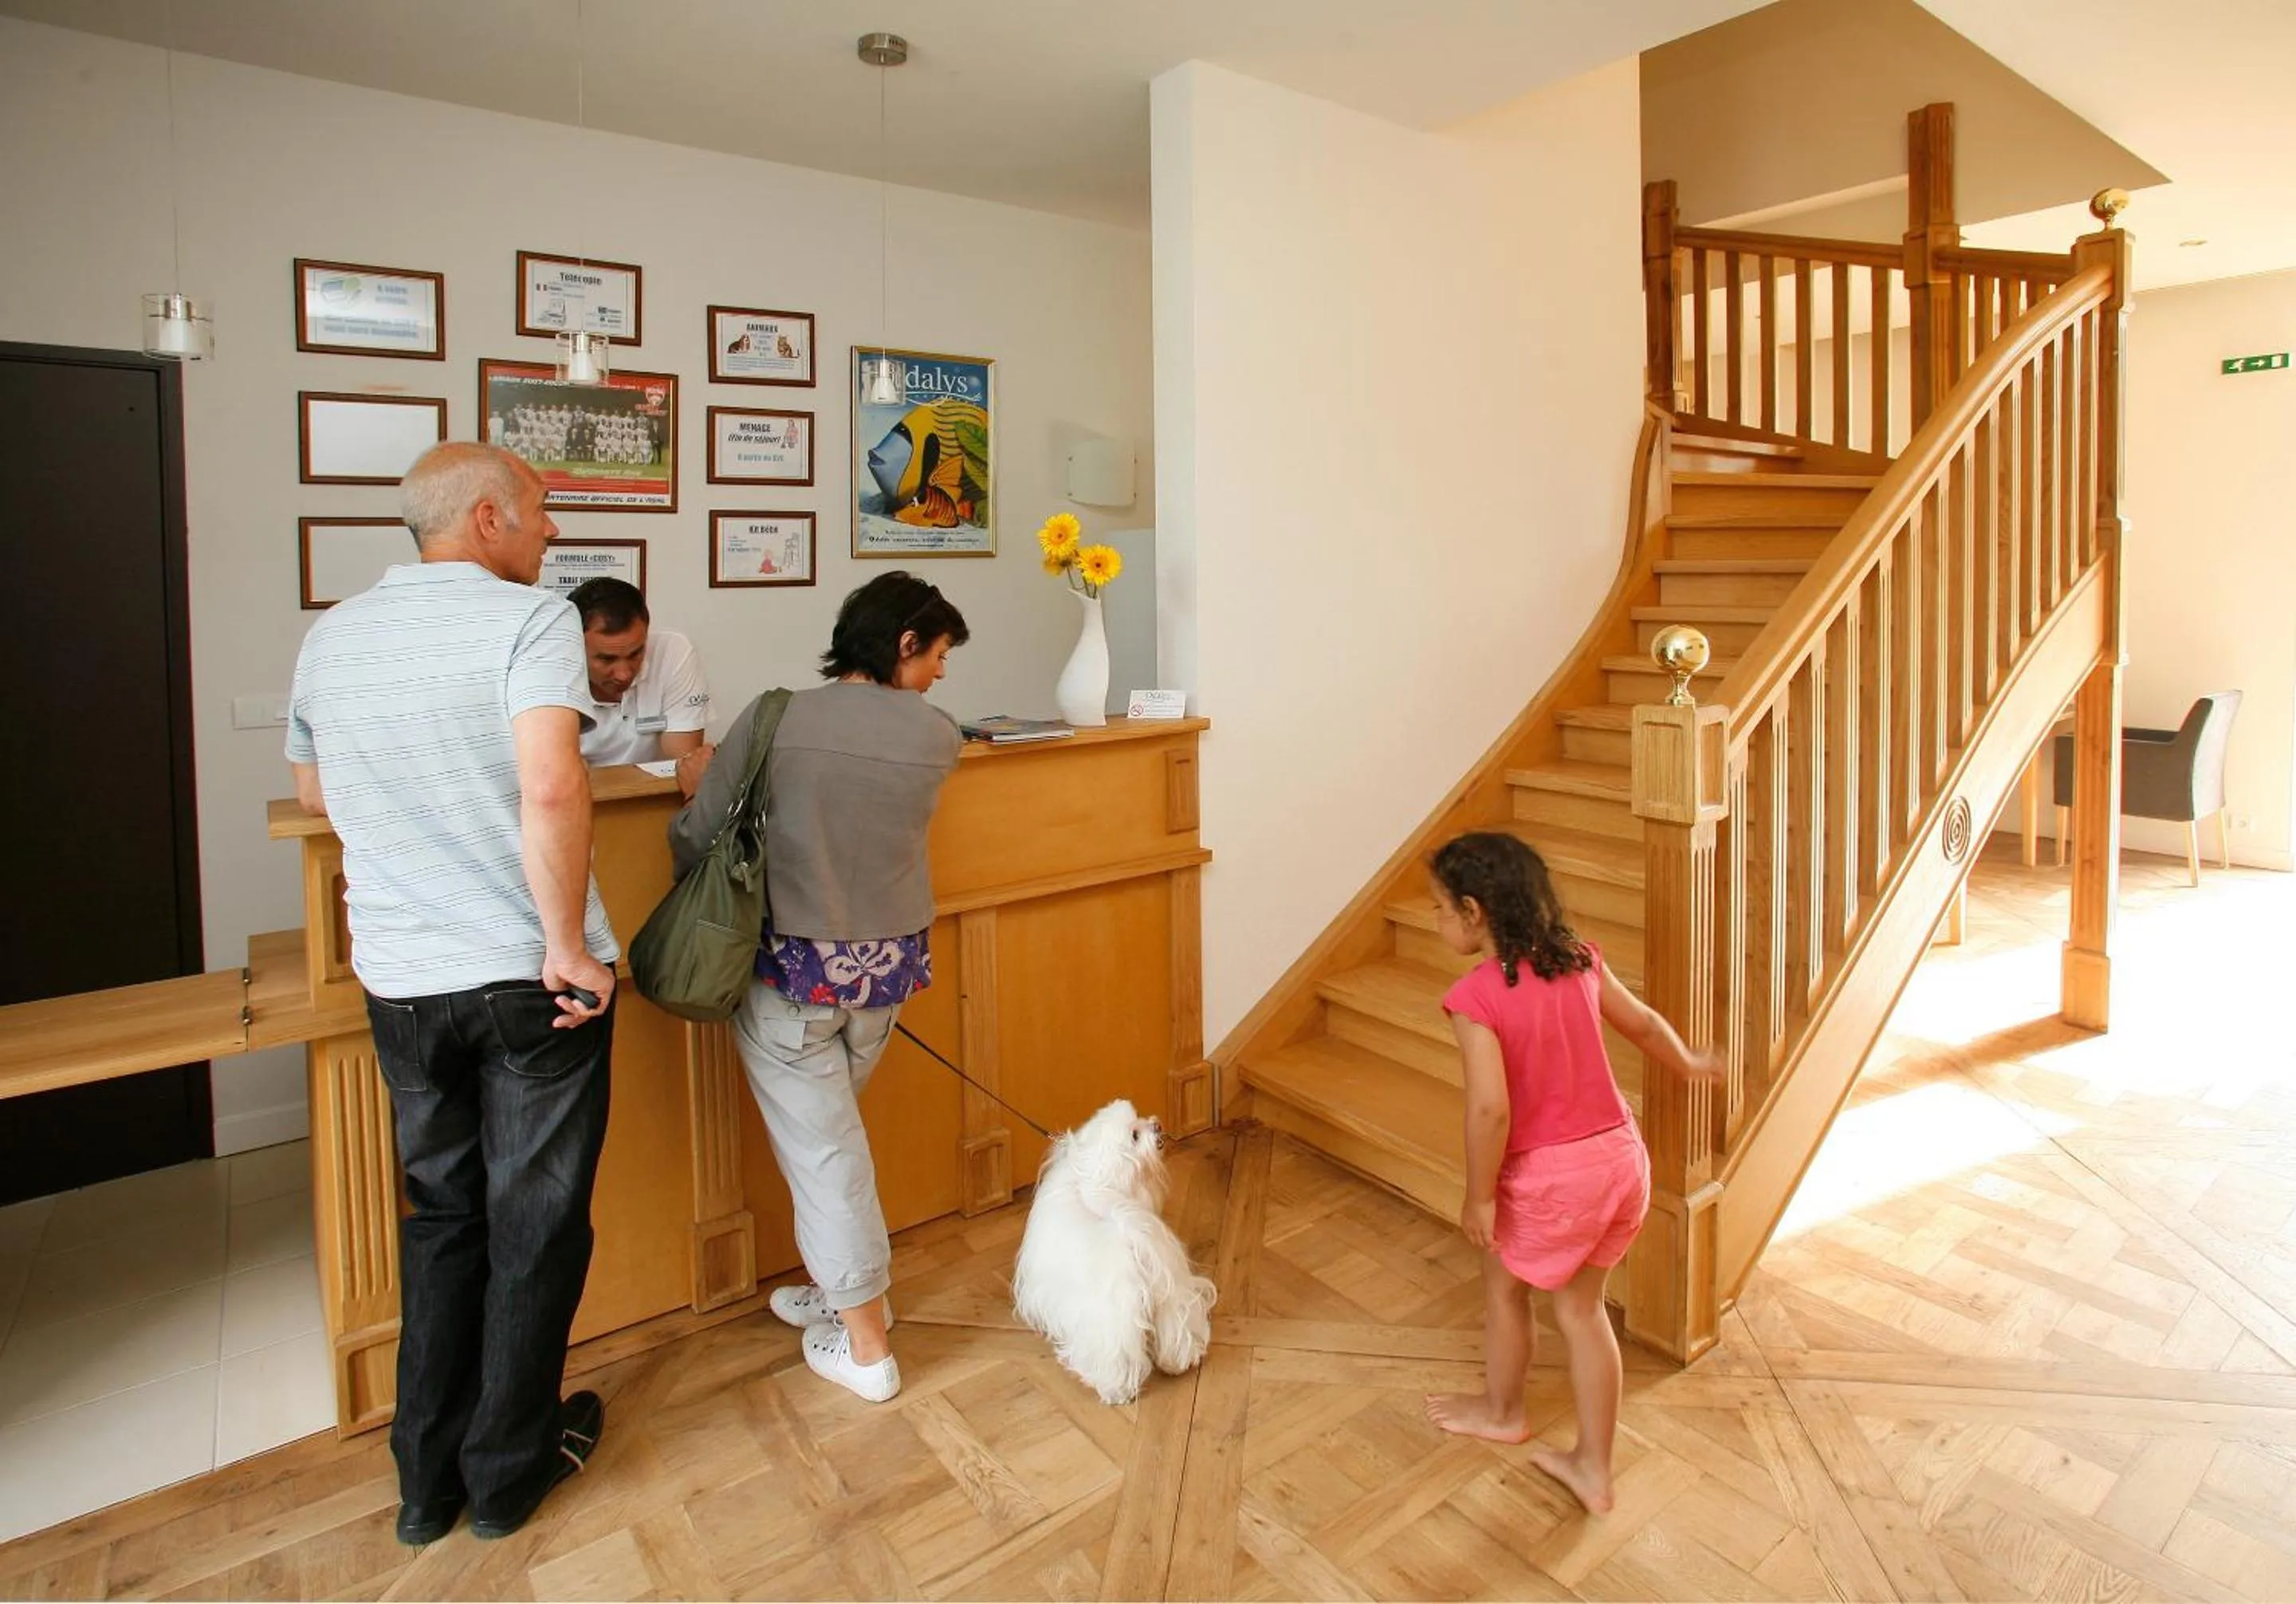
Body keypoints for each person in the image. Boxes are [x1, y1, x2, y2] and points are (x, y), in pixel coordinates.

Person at [285, 441, 617, 1547]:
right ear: (485, 517)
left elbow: (317, 791)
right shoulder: (529, 622)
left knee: (441, 1222)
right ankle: (509, 1472)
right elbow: (553, 782)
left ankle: (426, 1487)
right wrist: (568, 943)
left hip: (406, 988)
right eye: (539, 510)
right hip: (529, 983)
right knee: (535, 1225)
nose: (550, 530)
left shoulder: (331, 635)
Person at [668, 572, 969, 1404]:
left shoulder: (776, 718)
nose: (942, 673)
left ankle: (865, 1343)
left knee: (826, 1152)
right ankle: (844, 1286)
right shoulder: (939, 735)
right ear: (904, 643)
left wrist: (697, 784)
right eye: (938, 653)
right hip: (889, 977)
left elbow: (698, 838)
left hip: (794, 976)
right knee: (829, 1147)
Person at [1420, 831, 1720, 1513]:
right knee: (1583, 1312)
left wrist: (1479, 1198)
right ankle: (1593, 1464)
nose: (1436, 920)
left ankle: (1503, 1412)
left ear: (1473, 912)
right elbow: (1642, 1025)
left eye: (1439, 907)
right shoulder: (1580, 959)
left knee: (1505, 1293)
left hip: (1552, 1178)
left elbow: (1491, 1111)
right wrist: (1692, 1064)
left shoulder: (1475, 999)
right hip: (1620, 1160)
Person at [564, 576, 711, 777]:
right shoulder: (547, 668)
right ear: (574, 647)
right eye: (607, 659)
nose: (624, 674)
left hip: (654, 796)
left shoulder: (673, 652)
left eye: (636, 653)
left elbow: (683, 764)